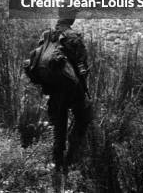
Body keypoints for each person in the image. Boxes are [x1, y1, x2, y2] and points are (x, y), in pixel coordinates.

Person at [40, 12, 92, 191]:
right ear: (71, 18)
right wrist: (84, 88)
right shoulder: (73, 37)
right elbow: (83, 67)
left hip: (54, 90)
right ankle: (71, 158)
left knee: (59, 125)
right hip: (73, 88)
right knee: (84, 118)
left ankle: (57, 162)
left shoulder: (48, 35)